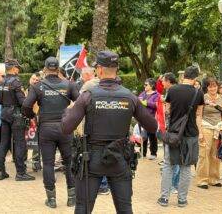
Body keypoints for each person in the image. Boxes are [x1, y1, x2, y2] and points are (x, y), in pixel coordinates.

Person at [61, 51, 158, 214]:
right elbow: (153, 126)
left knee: (82, 208)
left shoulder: (87, 96)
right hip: (119, 157)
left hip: (91, 159)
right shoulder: (130, 97)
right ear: (117, 69)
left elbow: (66, 128)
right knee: (125, 209)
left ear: (99, 70)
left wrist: (67, 111)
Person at [22, 57, 79, 209]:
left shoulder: (37, 86)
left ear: (45, 69)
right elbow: (81, 104)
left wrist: (33, 116)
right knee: (69, 162)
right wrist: (72, 117)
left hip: (46, 127)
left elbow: (26, 106)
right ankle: (72, 198)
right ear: (58, 68)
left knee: (48, 163)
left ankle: (51, 199)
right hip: (65, 127)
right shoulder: (69, 85)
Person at [158, 65, 204, 208]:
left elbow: (168, 110)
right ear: (196, 77)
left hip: (174, 133)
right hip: (191, 134)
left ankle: (164, 198)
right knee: (186, 167)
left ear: (184, 75)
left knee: (168, 165)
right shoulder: (199, 93)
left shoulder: (172, 90)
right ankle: (182, 200)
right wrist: (200, 132)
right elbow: (198, 115)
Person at [0, 59, 35, 181]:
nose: (18, 70)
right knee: (20, 143)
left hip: (4, 113)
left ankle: (1, 171)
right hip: (16, 115)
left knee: (4, 142)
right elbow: (23, 102)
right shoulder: (16, 82)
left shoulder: (1, 82)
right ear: (13, 68)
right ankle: (20, 172)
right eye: (17, 68)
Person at [196, 78, 222, 189]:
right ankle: (202, 180)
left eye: (214, 86)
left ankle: (213, 179)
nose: (213, 88)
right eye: (210, 86)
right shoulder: (202, 97)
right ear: (207, 88)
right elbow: (198, 115)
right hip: (206, 126)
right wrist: (200, 132)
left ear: (217, 87)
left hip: (218, 128)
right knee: (204, 153)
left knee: (215, 154)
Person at [139, 78, 159, 160]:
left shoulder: (157, 94)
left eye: (146, 84)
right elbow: (138, 100)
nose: (144, 86)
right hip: (142, 118)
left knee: (152, 136)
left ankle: (153, 153)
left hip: (151, 118)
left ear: (152, 85)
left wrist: (147, 103)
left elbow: (157, 105)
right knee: (143, 136)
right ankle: (142, 152)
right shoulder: (143, 93)